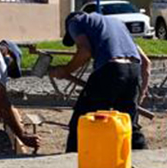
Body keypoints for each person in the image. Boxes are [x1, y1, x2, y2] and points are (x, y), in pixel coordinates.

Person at [51, 11, 152, 153]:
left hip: (110, 68)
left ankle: (73, 157)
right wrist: (141, 92)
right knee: (128, 122)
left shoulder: (76, 21)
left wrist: (65, 70)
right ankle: (143, 157)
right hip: (133, 69)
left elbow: (85, 51)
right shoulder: (117, 24)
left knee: (82, 119)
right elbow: (146, 63)